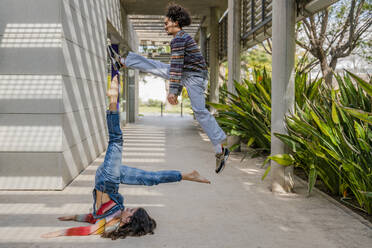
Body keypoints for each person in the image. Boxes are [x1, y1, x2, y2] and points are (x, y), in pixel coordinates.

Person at [41, 75, 210, 239]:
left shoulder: (110, 224)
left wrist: (62, 229)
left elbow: (90, 226)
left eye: (131, 211)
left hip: (108, 179)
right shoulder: (116, 216)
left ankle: (113, 100)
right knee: (150, 178)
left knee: (116, 140)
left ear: (128, 220)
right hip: (111, 178)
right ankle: (187, 175)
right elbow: (95, 219)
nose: (128, 208)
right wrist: (72, 218)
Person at [112, 3, 230, 174]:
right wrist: (177, 89)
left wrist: (173, 91)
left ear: (176, 22)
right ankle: (220, 149)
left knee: (200, 111)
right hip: (190, 75)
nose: (164, 25)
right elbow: (180, 67)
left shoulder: (180, 39)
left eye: (166, 22)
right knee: (156, 66)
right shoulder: (182, 38)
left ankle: (220, 145)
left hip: (193, 77)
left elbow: (176, 67)